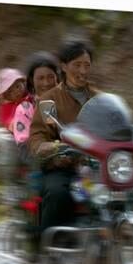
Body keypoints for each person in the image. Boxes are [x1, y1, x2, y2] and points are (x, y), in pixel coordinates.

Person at [28, 39, 100, 232]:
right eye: (77, 65)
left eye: (87, 65)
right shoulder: (48, 100)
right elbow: (38, 136)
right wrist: (50, 147)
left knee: (124, 192)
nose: (83, 71)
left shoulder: (99, 98)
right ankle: (42, 245)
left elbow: (114, 127)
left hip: (95, 167)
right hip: (64, 167)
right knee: (58, 193)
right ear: (64, 66)